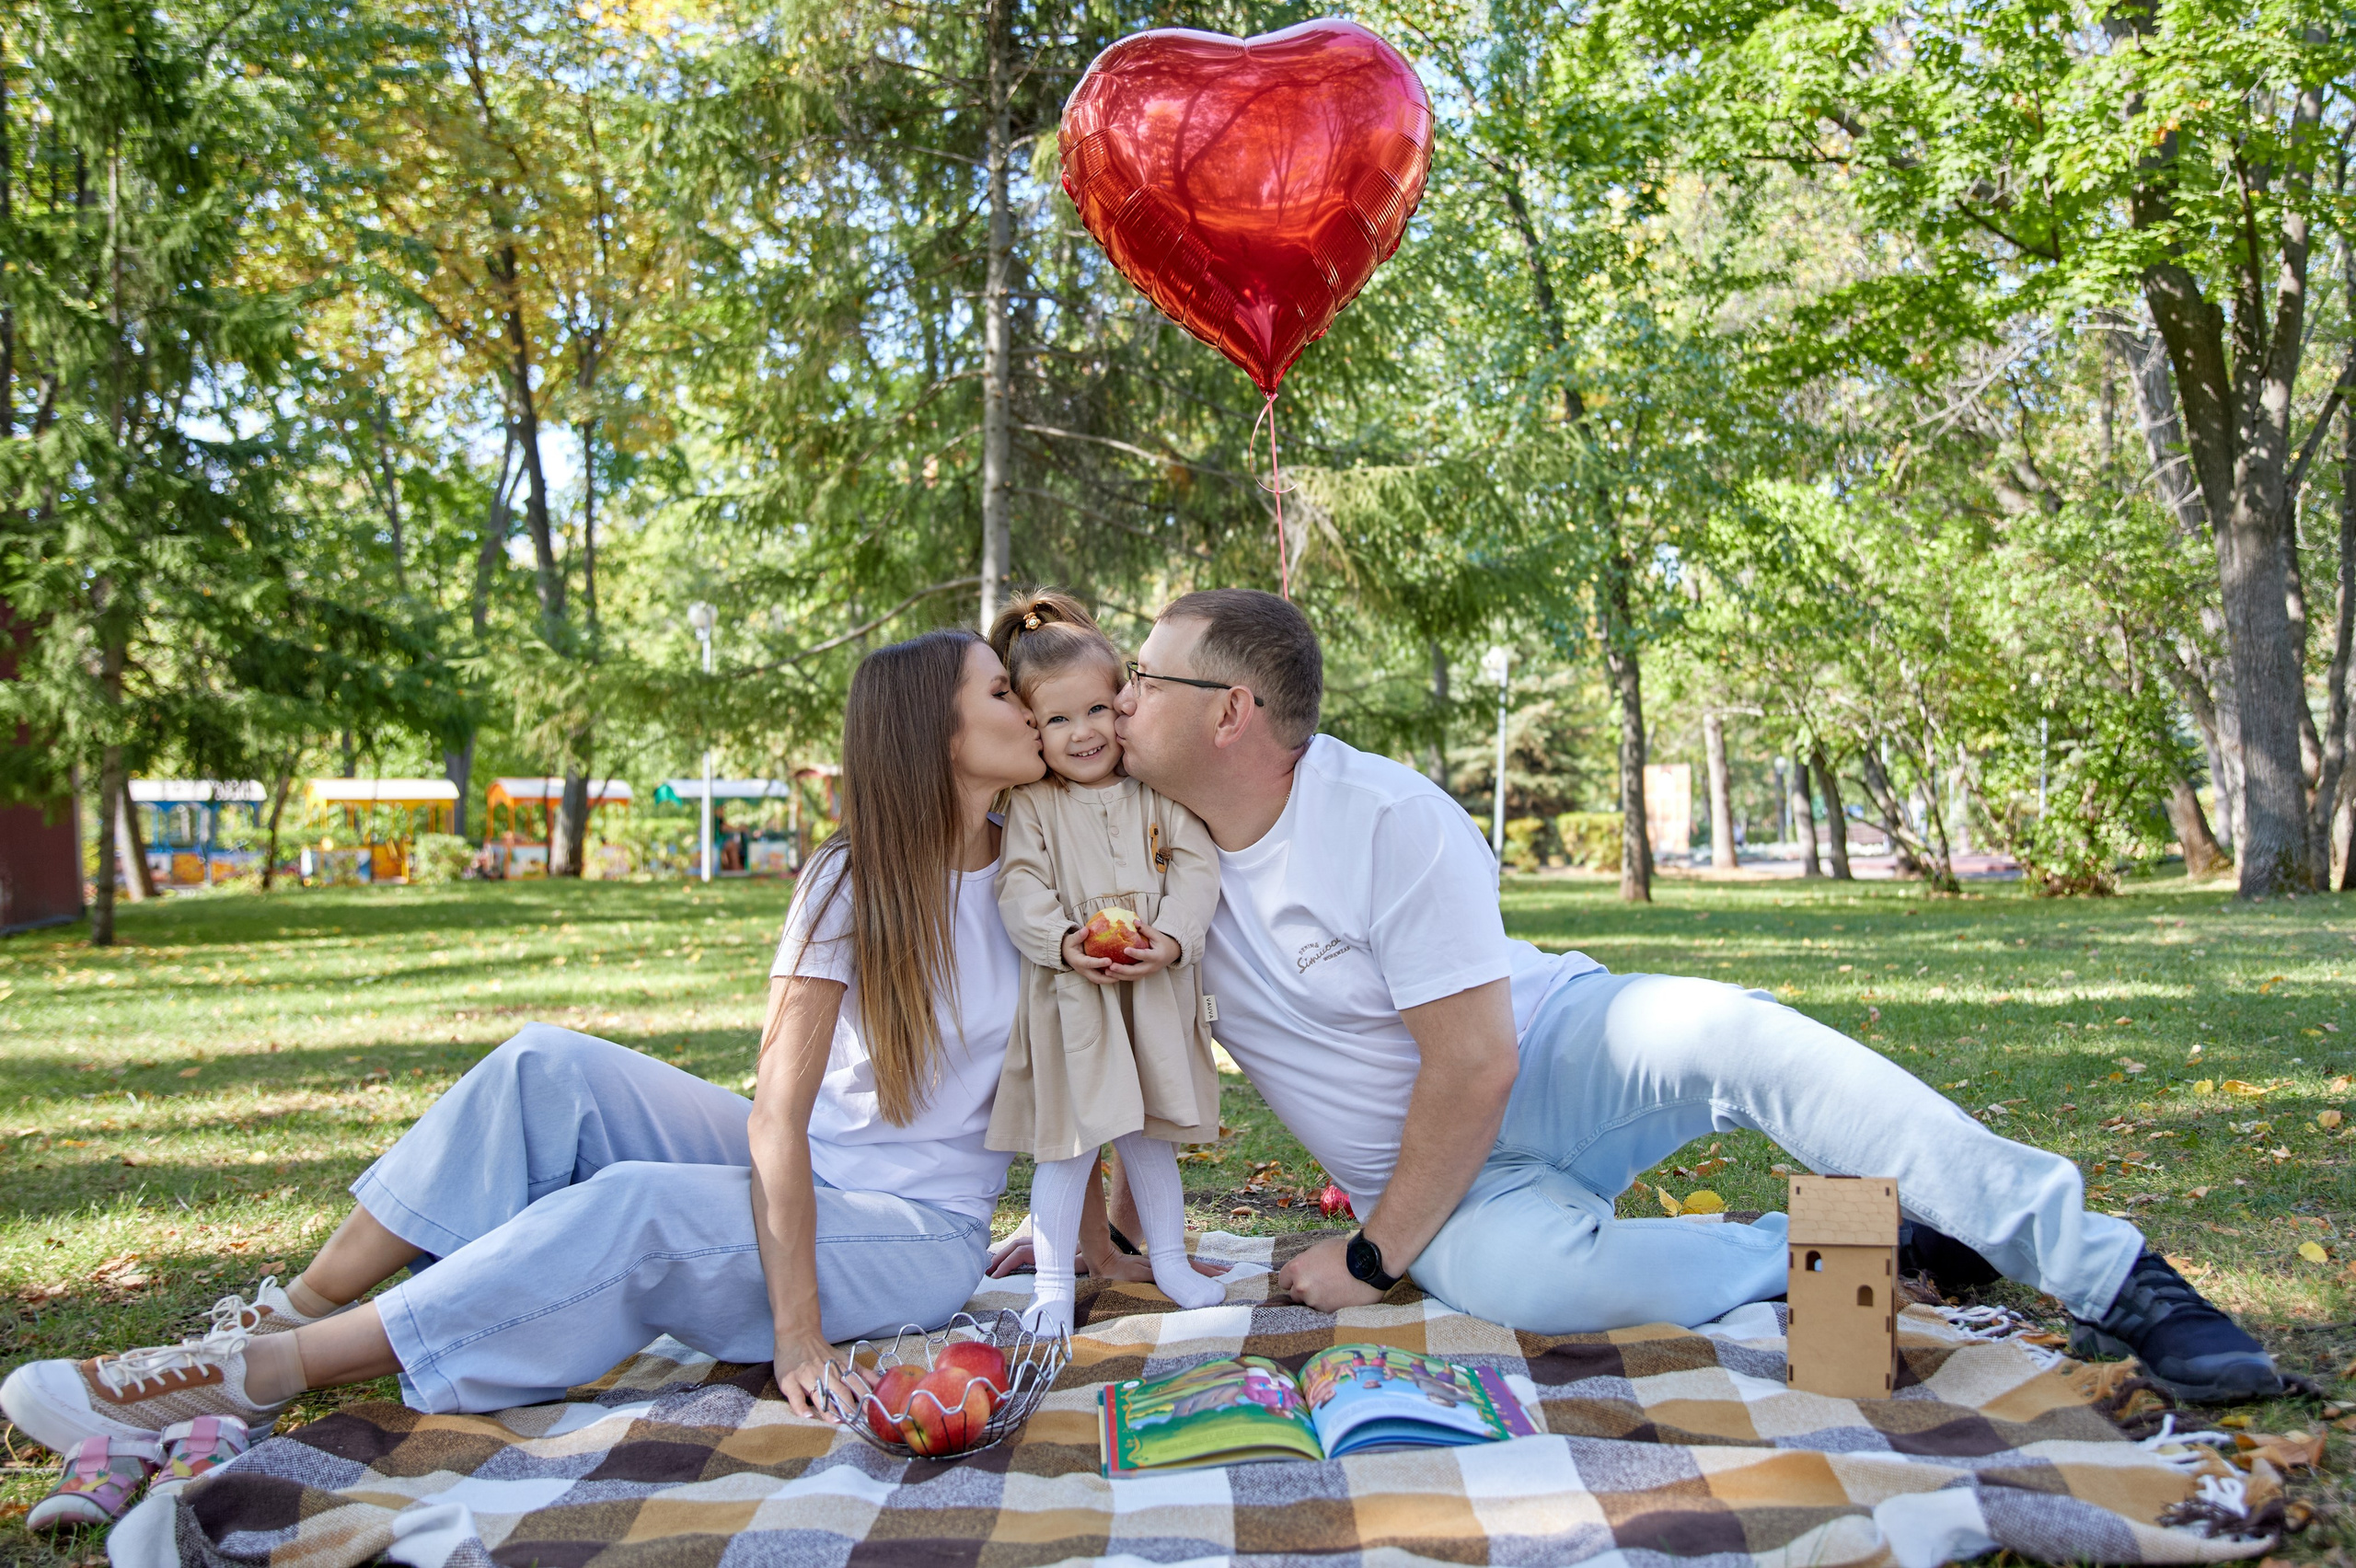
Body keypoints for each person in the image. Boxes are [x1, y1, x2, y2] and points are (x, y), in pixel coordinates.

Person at [0, 629, 1170, 1457]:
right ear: (937, 732)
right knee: (543, 1064)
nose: (1035, 708)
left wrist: (1096, 1237)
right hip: (813, 1168)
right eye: (1004, 695)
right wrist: (795, 1326)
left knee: (643, 1207)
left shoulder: (1049, 867)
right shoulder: (850, 874)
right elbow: (775, 1112)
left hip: (920, 1237)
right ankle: (286, 1312)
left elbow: (1091, 1058)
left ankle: (253, 1378)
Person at [1103, 588, 2281, 1405]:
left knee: (1740, 1037)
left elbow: (1475, 1063)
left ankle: (2116, 1274)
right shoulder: (1136, 850)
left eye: (1143, 676)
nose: (1119, 697)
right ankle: (1844, 1244)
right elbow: (1119, 1040)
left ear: (1229, 711)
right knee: (1535, 1288)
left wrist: (1370, 1258)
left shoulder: (1386, 817)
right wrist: (1099, 1218)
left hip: (1548, 1050)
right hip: (1437, 1183)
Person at [981, 592, 1226, 1336]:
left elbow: (1196, 866)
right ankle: (1052, 1286)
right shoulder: (1034, 806)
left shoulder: (1156, 790)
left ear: (1120, 700)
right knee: (1069, 1144)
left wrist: (1174, 937)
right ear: (1033, 729)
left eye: (1095, 709)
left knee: (1147, 1136)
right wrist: (1061, 941)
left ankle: (1173, 1262)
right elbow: (1017, 885)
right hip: (1075, 999)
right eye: (1057, 720)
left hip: (1149, 987)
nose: (1082, 732)